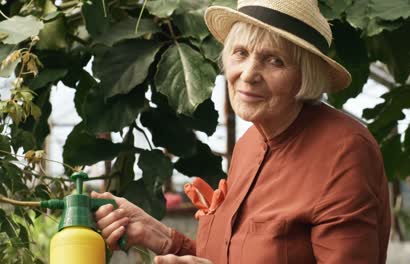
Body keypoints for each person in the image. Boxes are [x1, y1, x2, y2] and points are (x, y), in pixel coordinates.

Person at [92, 0, 391, 263]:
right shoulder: (251, 144)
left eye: (275, 60)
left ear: (305, 75)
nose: (248, 75)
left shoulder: (343, 150)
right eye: (241, 53)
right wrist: (163, 238)